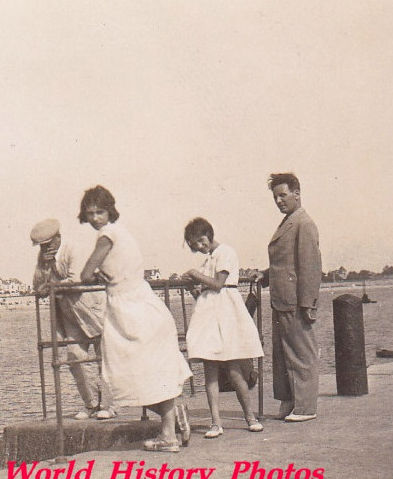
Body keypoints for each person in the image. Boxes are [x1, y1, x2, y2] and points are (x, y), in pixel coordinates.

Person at [78, 186, 192, 452]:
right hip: (144, 302)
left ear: (110, 212)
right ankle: (170, 424)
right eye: (90, 213)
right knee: (148, 372)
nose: (95, 218)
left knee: (124, 375)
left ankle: (169, 430)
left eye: (100, 212)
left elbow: (84, 274)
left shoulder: (107, 235)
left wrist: (95, 276)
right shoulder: (124, 233)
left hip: (129, 308)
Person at [182, 218, 265, 438]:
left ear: (209, 234)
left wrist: (194, 274)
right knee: (210, 369)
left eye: (201, 241)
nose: (200, 246)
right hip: (208, 314)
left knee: (234, 368)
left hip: (226, 311)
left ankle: (250, 417)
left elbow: (218, 283)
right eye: (195, 244)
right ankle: (215, 422)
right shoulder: (207, 260)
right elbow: (204, 291)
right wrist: (193, 285)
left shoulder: (226, 251)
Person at [30, 217, 115, 420]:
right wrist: (45, 271)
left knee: (105, 358)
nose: (45, 249)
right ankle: (91, 404)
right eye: (42, 246)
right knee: (74, 357)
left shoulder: (73, 249)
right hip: (69, 315)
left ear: (57, 237)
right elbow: (37, 286)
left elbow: (76, 280)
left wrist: (51, 287)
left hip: (92, 310)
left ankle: (110, 406)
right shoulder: (44, 259)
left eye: (48, 245)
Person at [263, 173, 322, 422]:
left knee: (301, 354)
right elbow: (284, 263)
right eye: (275, 197)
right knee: (282, 355)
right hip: (282, 300)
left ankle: (306, 407)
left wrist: (307, 304)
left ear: (297, 193)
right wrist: (264, 275)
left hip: (295, 302)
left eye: (283, 195)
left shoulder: (303, 223)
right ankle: (290, 401)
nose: (278, 201)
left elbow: (310, 266)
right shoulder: (289, 222)